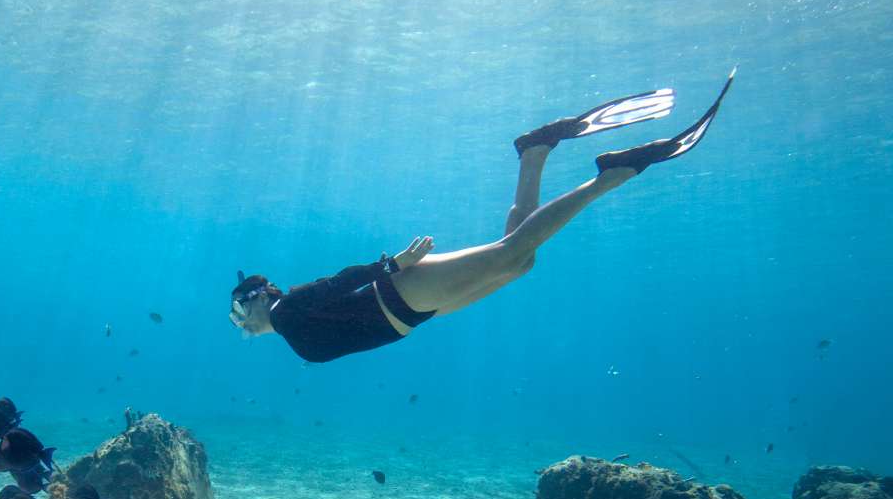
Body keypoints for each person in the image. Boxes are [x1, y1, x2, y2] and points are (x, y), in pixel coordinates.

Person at [230, 70, 736, 363]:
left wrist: (393, 265)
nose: (240, 324)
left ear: (258, 298)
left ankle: (613, 174)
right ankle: (534, 153)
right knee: (519, 262)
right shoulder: (288, 320)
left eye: (238, 312)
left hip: (400, 295)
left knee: (511, 254)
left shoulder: (286, 311)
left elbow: (334, 285)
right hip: (412, 312)